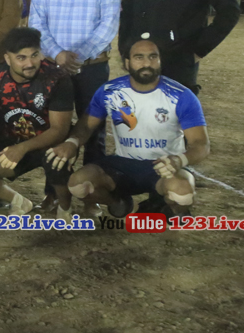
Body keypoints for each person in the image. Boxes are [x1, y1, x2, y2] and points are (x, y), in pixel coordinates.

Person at [49, 39, 209, 218]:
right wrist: (72, 142)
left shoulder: (181, 95)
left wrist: (178, 161)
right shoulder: (110, 91)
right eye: (139, 57)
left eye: (153, 57)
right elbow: (86, 126)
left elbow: (201, 144)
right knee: (78, 185)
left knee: (182, 194)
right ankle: (118, 202)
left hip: (165, 166)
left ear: (160, 60)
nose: (147, 63)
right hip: (123, 165)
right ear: (127, 63)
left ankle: (172, 209)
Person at [28, 0, 120, 164]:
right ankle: (56, 184)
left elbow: (109, 24)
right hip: (53, 67)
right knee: (53, 128)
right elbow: (36, 24)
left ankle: (91, 182)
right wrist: (59, 55)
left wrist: (76, 57)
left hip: (92, 68)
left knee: (93, 129)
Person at [0, 28, 75, 216]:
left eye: (34, 55)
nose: (30, 63)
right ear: (8, 59)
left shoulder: (56, 79)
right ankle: (20, 202)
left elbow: (59, 130)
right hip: (11, 141)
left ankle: (65, 206)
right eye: (21, 58)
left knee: (57, 161)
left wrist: (22, 148)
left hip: (49, 142)